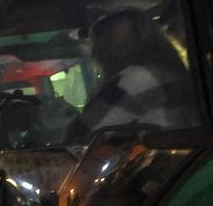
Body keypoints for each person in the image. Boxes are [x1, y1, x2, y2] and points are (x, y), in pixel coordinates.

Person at [68, 9, 197, 141]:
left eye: (99, 45)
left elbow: (83, 135)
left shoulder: (137, 79)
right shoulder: (170, 73)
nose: (94, 54)